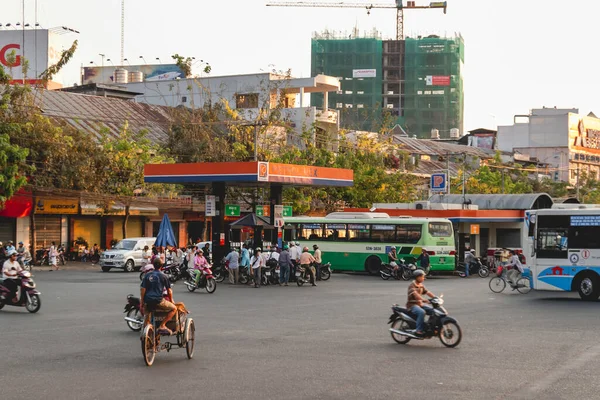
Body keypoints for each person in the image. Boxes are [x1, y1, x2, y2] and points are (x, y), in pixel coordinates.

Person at [140, 258, 177, 335]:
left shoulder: (147, 275)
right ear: (161, 266)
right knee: (174, 309)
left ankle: (144, 333)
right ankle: (162, 325)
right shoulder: (164, 276)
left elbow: (143, 290)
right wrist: (171, 301)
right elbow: (169, 291)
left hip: (148, 300)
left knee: (147, 317)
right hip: (158, 300)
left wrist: (142, 302)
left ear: (153, 265)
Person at [406, 269, 436, 337]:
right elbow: (416, 295)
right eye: (422, 277)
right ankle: (418, 330)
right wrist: (424, 300)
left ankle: (429, 327)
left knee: (433, 311)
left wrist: (435, 297)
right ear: (418, 277)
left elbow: (427, 292)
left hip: (420, 304)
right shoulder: (412, 286)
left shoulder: (420, 285)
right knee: (421, 312)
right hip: (412, 305)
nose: (424, 278)